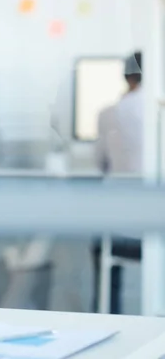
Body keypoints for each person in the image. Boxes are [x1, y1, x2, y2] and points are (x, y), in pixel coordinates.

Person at [92, 51, 143, 314]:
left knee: (100, 246)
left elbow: (99, 165)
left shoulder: (109, 114)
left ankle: (108, 316)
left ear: (126, 77)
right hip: (157, 232)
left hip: (125, 235)